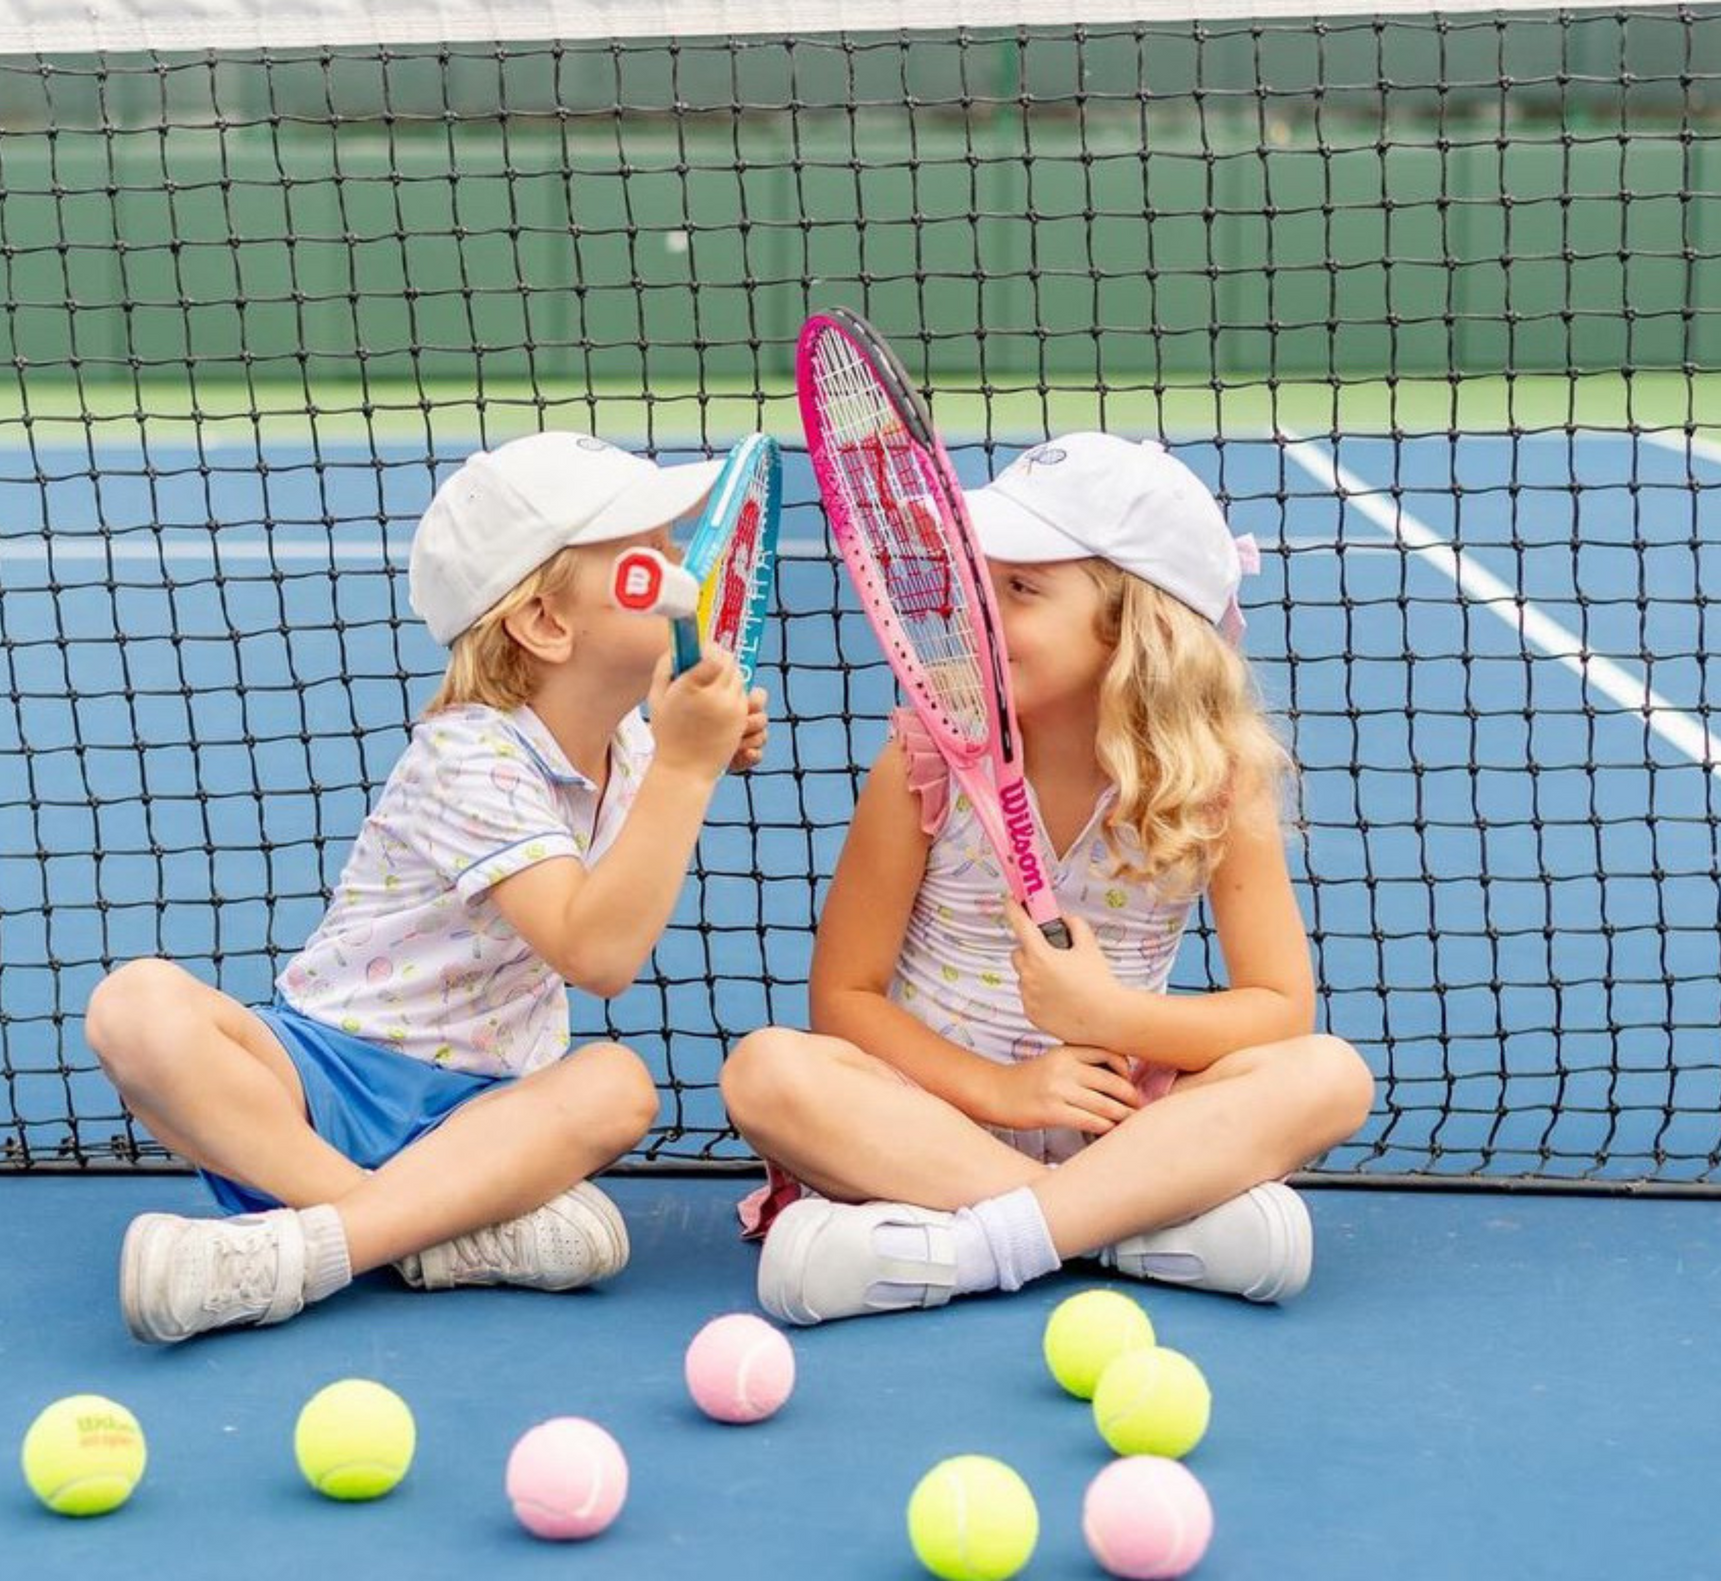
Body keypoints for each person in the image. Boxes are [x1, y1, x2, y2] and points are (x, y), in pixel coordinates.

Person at [85, 431, 767, 1343]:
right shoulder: (468, 753)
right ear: (548, 624)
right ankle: (404, 1230)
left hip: (486, 1112)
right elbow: (597, 952)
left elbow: (624, 898)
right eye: (653, 554)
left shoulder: (639, 743)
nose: (688, 567)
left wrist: (693, 760)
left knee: (616, 1083)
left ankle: (318, 1243)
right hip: (314, 1086)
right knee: (134, 1008)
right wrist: (688, 773)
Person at [722, 432, 1373, 1324]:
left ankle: (971, 1246)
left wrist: (1111, 1018)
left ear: (1138, 627)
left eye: (1021, 589)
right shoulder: (924, 757)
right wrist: (1004, 1092)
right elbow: (845, 997)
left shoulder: (1219, 782)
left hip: (1121, 1120)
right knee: (765, 1072)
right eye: (979, 578)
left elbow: (1278, 1007)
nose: (978, 611)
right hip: (928, 1120)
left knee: (1331, 1075)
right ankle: (1119, 1226)